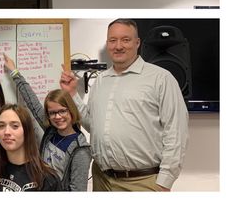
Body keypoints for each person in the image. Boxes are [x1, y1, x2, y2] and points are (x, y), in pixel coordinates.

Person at [60, 18, 188, 191]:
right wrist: (73, 94)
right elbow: (94, 125)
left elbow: (176, 132)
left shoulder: (161, 79)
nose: (118, 46)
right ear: (107, 44)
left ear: (137, 43)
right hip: (102, 180)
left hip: (143, 182)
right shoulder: (101, 81)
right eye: (113, 40)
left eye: (125, 40)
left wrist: (164, 182)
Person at [3, 54, 91, 191]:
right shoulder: (51, 130)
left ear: (71, 111)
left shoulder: (80, 149)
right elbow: (31, 101)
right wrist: (14, 72)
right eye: (52, 113)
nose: (57, 117)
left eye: (62, 111)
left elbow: (78, 191)